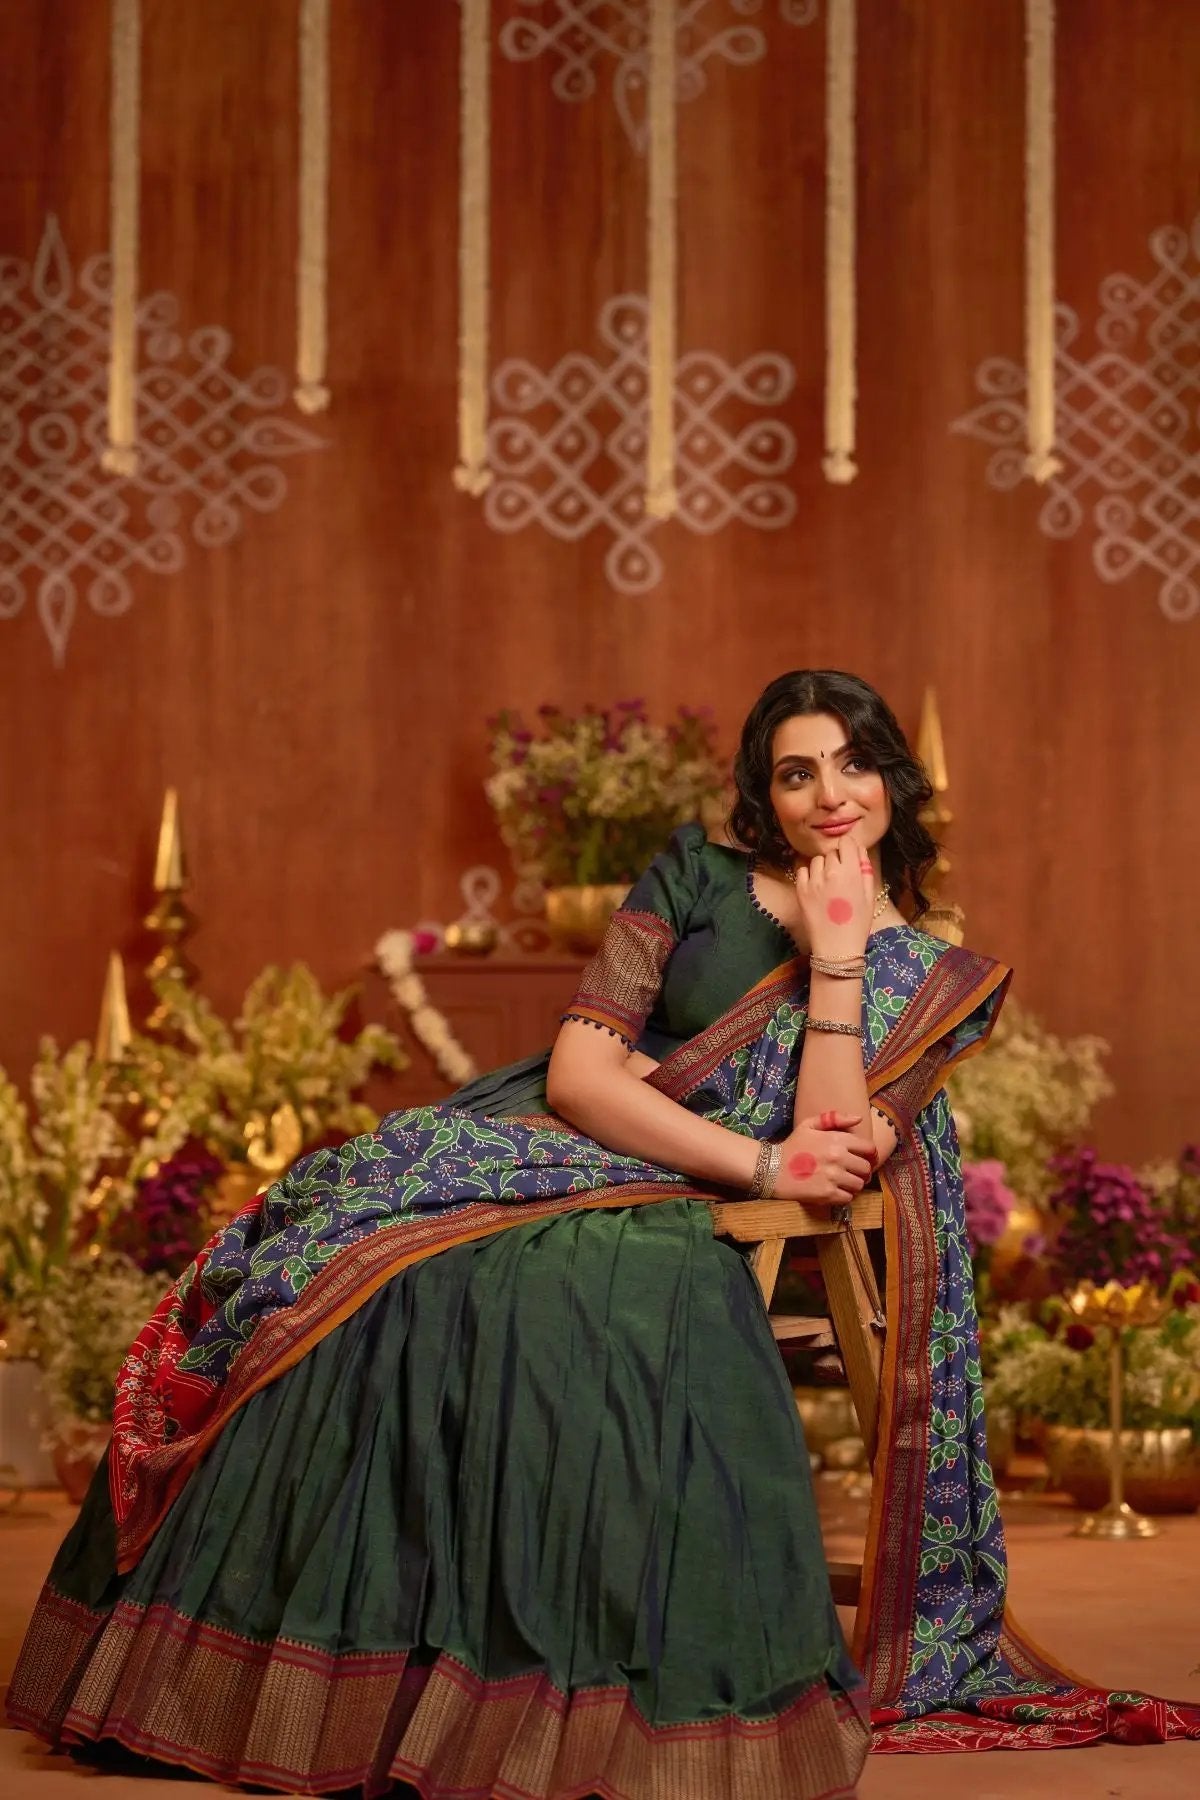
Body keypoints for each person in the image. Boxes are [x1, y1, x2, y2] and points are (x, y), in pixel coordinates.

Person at [8, 670, 1198, 1799]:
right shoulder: (692, 876)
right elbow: (581, 1076)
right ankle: (310, 1667)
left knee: (588, 1292)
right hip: (590, 1149)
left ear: (894, 782)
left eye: (854, 765)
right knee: (378, 1272)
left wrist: (839, 955)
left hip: (713, 1210)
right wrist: (749, 1149)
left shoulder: (930, 976)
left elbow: (831, 1147)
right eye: (796, 773)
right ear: (761, 793)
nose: (829, 794)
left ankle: (546, 1689)